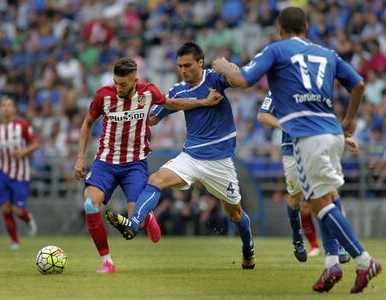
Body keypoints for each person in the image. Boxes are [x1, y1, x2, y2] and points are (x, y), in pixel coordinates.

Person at [212, 6, 382, 293]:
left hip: (306, 136)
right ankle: (331, 264)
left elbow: (242, 80)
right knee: (327, 197)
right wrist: (351, 118)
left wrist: (224, 66)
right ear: (306, 27)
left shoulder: (277, 50)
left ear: (280, 29)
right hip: (332, 132)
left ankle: (365, 262)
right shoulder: (327, 53)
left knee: (319, 203)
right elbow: (359, 84)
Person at [106, 42, 256, 270]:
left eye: (188, 65)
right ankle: (133, 224)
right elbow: (154, 118)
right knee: (155, 180)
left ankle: (248, 250)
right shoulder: (177, 91)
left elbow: (241, 82)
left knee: (235, 214)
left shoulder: (215, 78)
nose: (184, 71)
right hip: (191, 158)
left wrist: (228, 68)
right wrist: (133, 107)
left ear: (200, 62)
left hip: (219, 162)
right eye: (180, 66)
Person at [73, 57, 223, 273]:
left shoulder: (148, 92)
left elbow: (171, 104)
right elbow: (87, 123)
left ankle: (148, 218)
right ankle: (107, 261)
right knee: (90, 205)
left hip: (134, 165)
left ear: (135, 80)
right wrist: (80, 157)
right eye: (116, 82)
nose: (119, 88)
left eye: (123, 84)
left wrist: (203, 102)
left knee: (137, 221)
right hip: (105, 163)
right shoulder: (103, 96)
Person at [257, 91, 356, 263]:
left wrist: (344, 137)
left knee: (332, 194)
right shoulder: (278, 86)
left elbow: (324, 117)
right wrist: (285, 125)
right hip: (292, 150)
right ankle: (297, 238)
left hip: (317, 146)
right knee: (296, 200)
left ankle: (340, 244)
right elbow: (262, 115)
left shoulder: (314, 86)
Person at [0, 96, 39, 250]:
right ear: (0, 109)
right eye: (3, 105)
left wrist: (23, 152)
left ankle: (27, 217)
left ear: (14, 109)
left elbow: (35, 144)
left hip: (20, 174)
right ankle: (15, 241)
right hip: (2, 172)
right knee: (5, 208)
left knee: (17, 210)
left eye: (9, 105)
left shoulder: (21, 125)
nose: (6, 108)